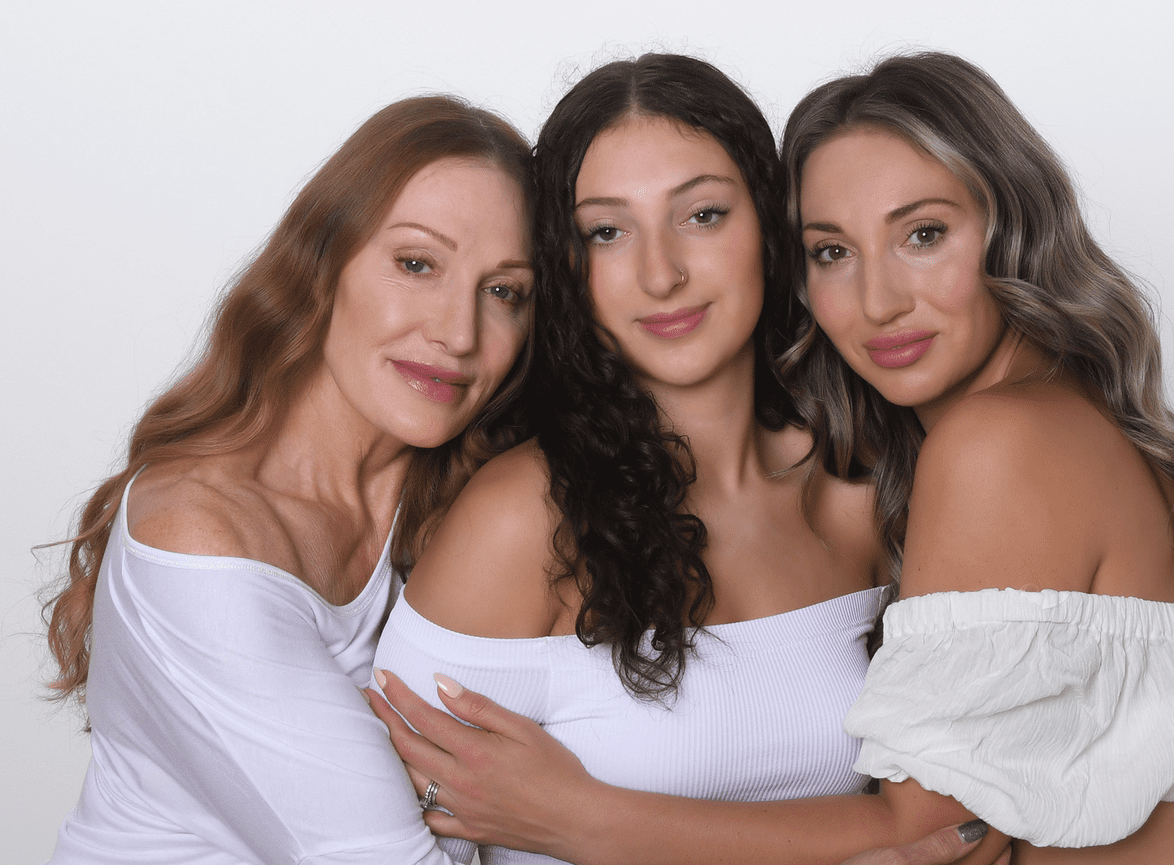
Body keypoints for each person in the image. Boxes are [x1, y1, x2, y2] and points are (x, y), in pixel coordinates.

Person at [370, 53, 1010, 865]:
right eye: (607, 231)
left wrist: (586, 819)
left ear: (773, 228)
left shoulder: (868, 486)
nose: (661, 273)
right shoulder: (520, 520)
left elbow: (967, 824)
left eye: (702, 215)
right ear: (570, 269)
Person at [780, 51, 1174, 862]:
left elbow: (936, 834)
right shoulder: (1062, 414)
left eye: (923, 234)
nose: (878, 300)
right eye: (832, 252)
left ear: (1012, 227)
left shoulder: (998, 443)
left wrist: (579, 815)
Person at [42, 94, 537, 864]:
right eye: (416, 264)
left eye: (504, 291)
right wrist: (570, 812)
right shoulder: (203, 541)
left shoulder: (456, 499)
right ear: (322, 263)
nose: (459, 332)